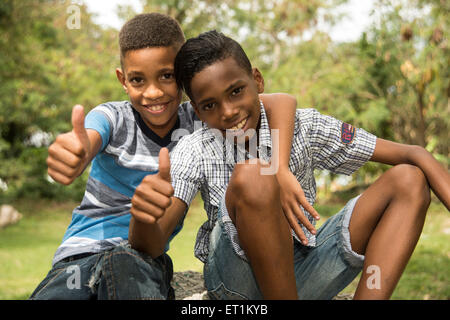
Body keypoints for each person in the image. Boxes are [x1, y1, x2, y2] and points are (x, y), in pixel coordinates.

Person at [129, 30, 450, 300]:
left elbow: (414, 154)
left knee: (409, 180)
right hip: (237, 285)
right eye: (210, 105)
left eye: (236, 91)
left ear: (257, 81)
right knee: (255, 176)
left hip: (304, 271)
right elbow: (152, 241)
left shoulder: (302, 127)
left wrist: (421, 157)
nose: (227, 112)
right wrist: (143, 217)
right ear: (197, 113)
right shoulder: (195, 147)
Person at [30, 14, 299, 300]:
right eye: (137, 80)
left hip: (140, 260)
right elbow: (90, 136)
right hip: (78, 258)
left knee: (129, 272)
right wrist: (78, 151)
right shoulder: (114, 116)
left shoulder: (200, 117)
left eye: (167, 76)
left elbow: (279, 101)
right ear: (123, 80)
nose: (153, 92)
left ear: (182, 78)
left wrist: (278, 167)